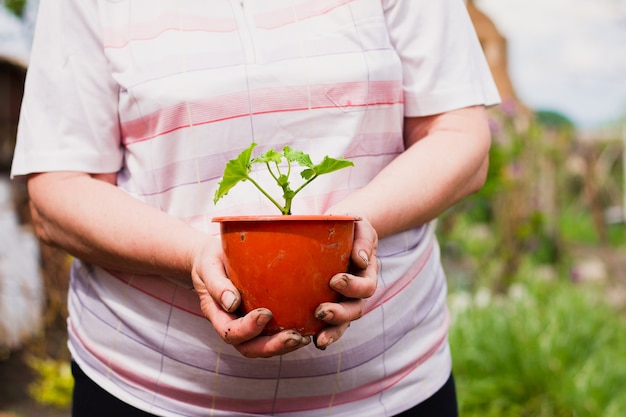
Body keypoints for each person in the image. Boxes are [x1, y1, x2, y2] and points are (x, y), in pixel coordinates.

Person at [11, 0, 500, 416]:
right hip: (150, 393)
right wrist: (192, 256)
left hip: (391, 389)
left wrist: (348, 230)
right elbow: (59, 191)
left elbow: (459, 136)